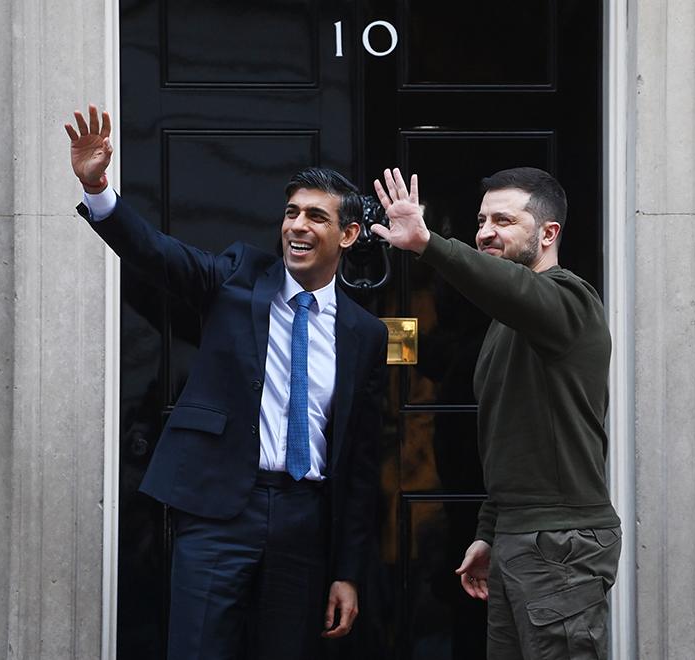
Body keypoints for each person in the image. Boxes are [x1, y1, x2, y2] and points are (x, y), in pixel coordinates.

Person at [65, 105, 387, 660]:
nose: (298, 226)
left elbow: (359, 463)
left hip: (303, 519)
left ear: (349, 233)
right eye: (291, 213)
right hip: (219, 512)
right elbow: (154, 253)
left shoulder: (365, 332)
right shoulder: (238, 276)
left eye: (315, 216)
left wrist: (349, 572)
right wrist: (98, 190)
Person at [371, 167, 621, 659]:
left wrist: (429, 243)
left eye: (504, 220)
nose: (486, 231)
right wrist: (490, 532)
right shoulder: (504, 326)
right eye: (482, 220)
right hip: (517, 537)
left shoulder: (569, 302)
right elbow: (508, 441)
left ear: (549, 234)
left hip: (561, 546)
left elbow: (512, 290)